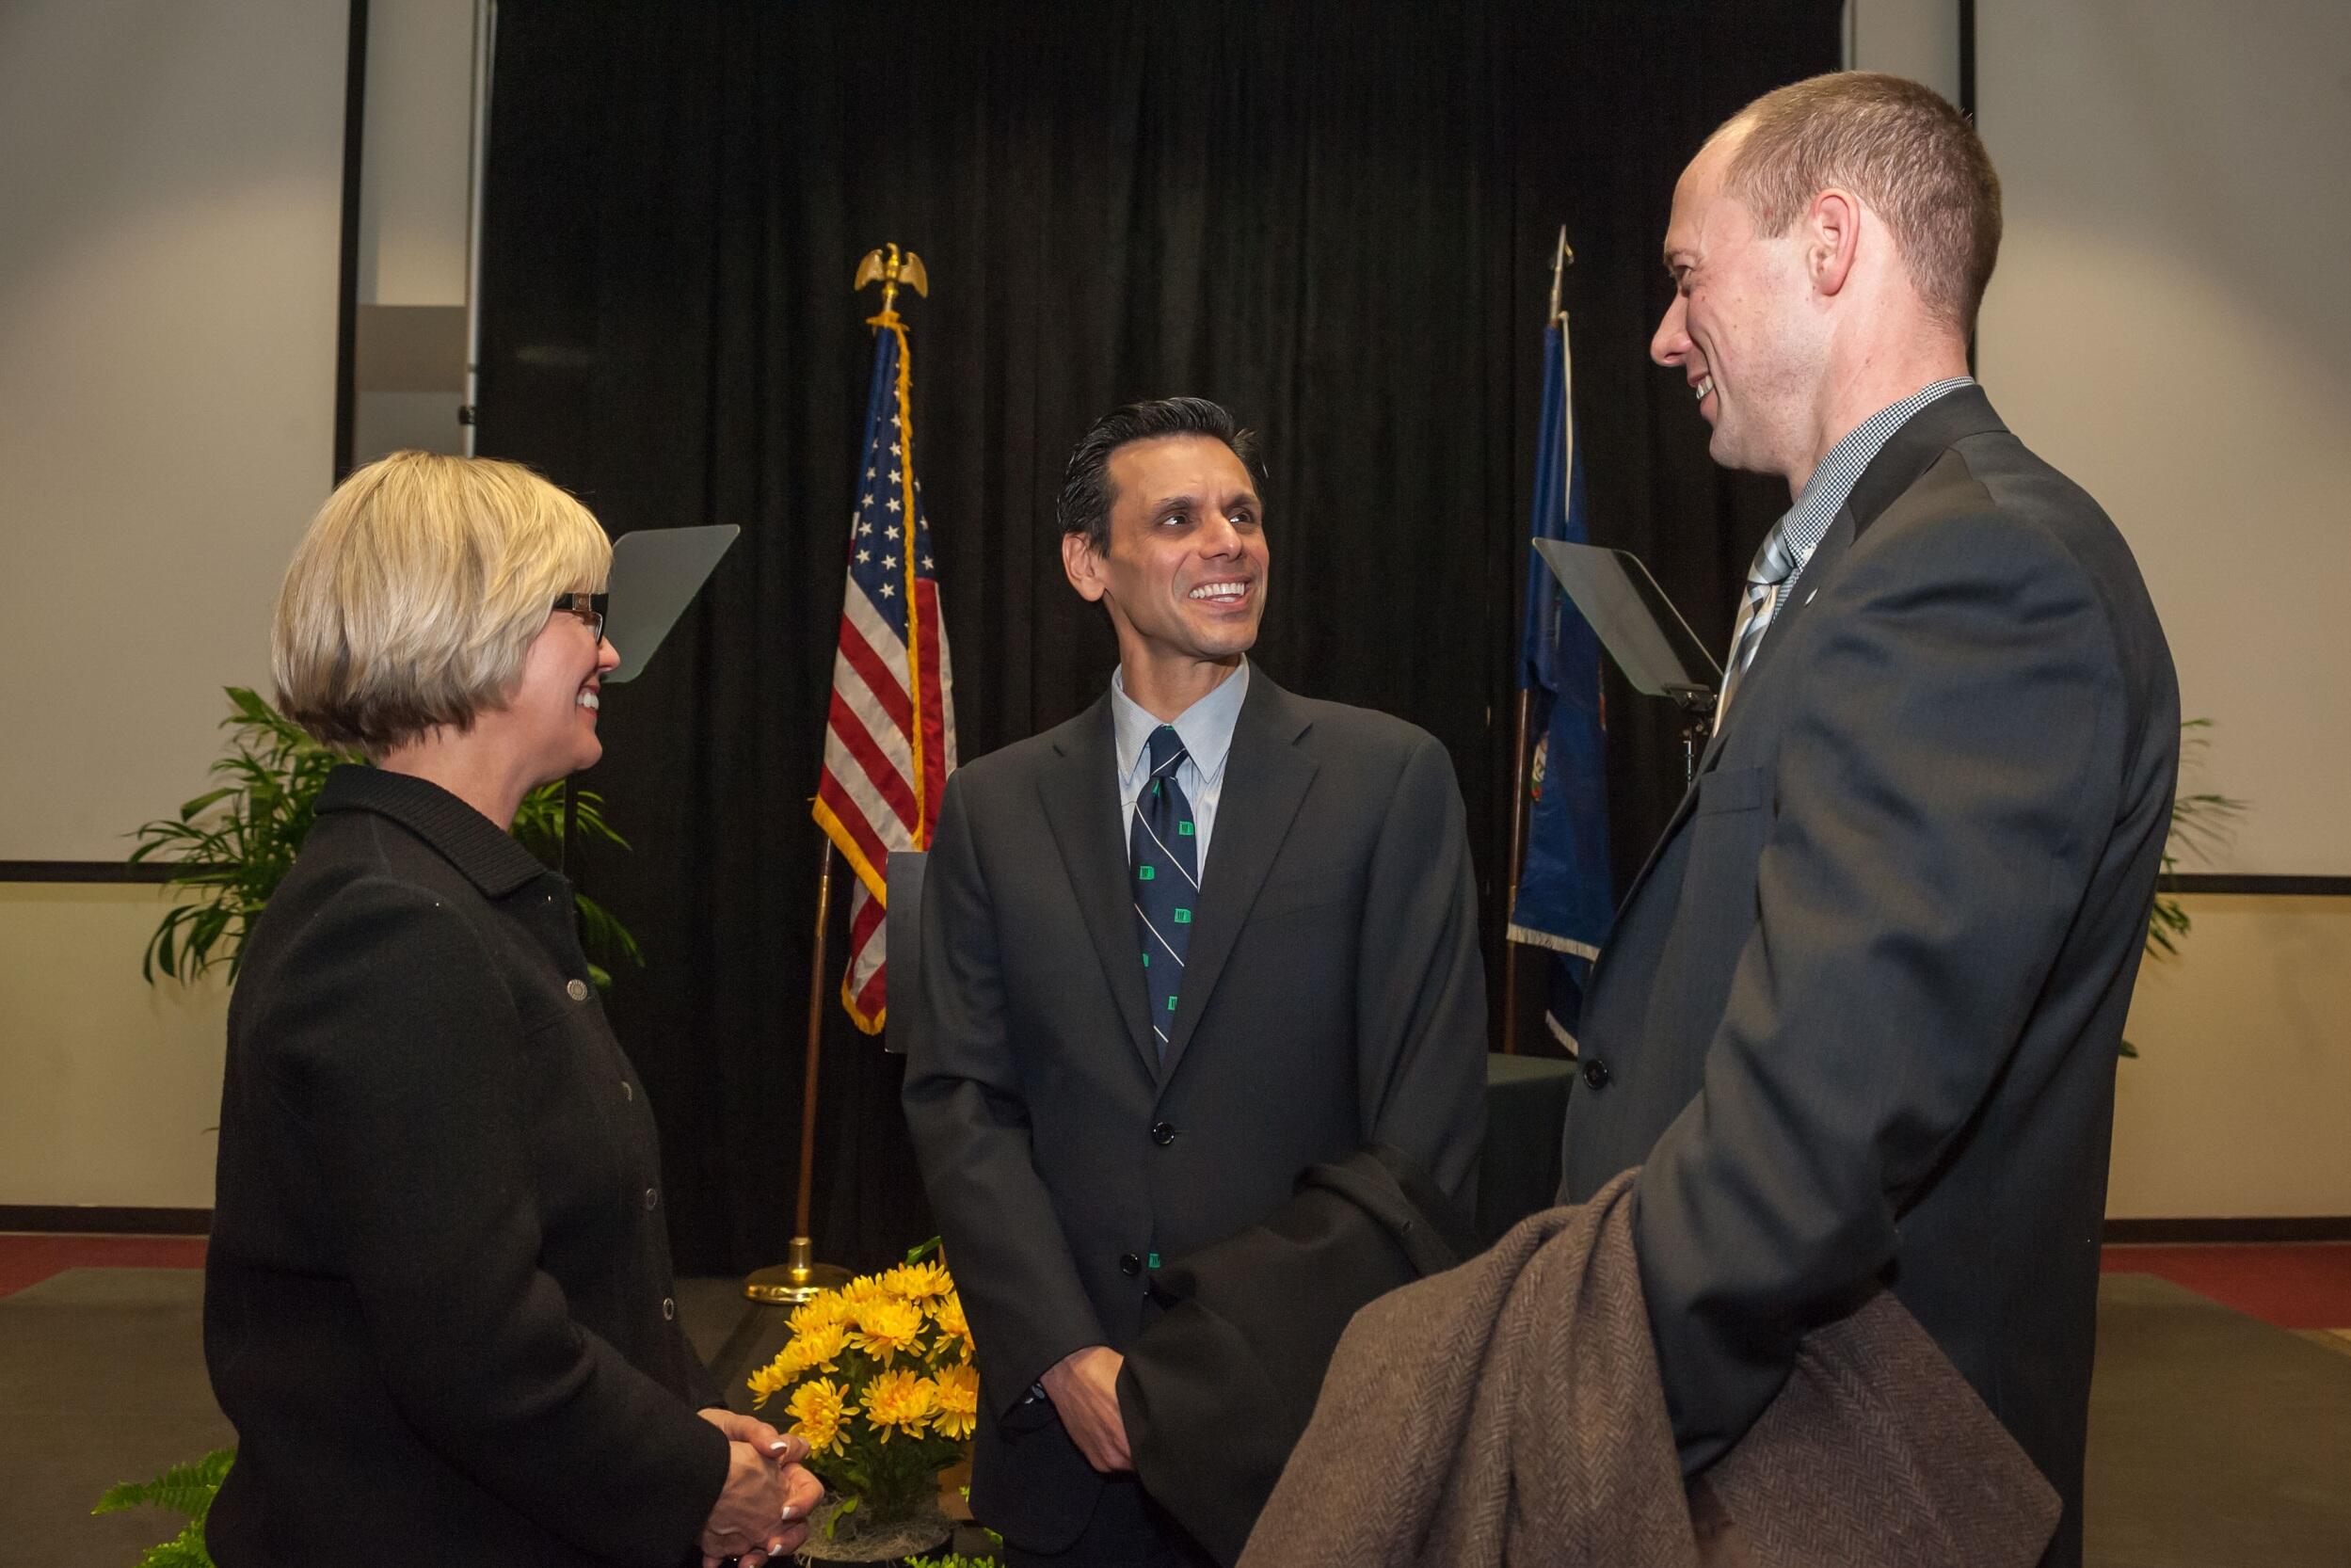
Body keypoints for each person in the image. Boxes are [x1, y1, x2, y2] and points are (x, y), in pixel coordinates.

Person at [1557, 72, 2178, 1568]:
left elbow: (1812, 1147)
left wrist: (1585, 1413)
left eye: (1687, 275)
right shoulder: (1880, 553)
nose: (1660, 332)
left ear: (1829, 245)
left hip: (1833, 1479)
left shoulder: (1978, 571)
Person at [204, 451, 824, 1567]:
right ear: (474, 621)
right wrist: (693, 1481)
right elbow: (476, 1345)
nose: (611, 649)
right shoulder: (397, 924)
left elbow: (569, 1269)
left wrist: (679, 1432)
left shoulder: (430, 889)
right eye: (584, 612)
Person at [904, 397, 1487, 1566]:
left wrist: (1197, 1382)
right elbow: (963, 1104)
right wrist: (1067, 1357)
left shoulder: (1387, 781)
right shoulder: (993, 807)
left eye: (1244, 514)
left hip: (1310, 1440)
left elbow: (1421, 1141)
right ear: (1087, 563)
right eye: (1178, 517)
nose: (1228, 540)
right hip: (1070, 1457)